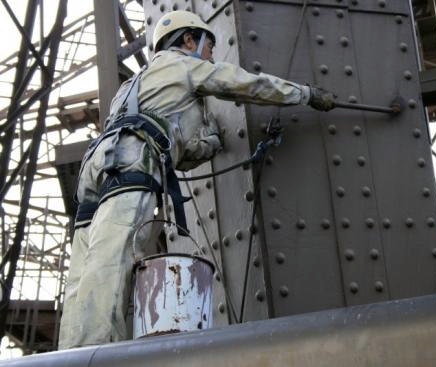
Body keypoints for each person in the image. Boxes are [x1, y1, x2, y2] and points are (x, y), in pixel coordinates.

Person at [58, 10, 336, 349]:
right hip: (131, 164)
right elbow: (243, 84)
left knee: (82, 275)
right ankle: (96, 353)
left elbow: (178, 149)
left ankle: (68, 352)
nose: (211, 56)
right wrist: (303, 94)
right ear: (189, 40)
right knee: (110, 267)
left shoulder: (133, 85)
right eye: (209, 47)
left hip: (98, 169)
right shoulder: (184, 66)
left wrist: (209, 144)